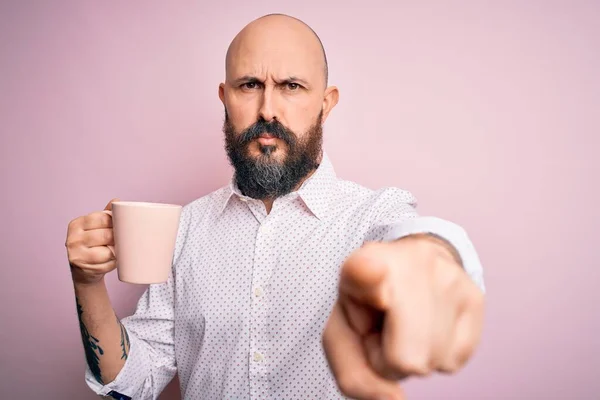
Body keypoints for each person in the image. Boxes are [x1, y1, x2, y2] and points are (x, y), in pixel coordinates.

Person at [66, 13, 486, 400]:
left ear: (326, 102)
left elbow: (416, 240)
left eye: (292, 86)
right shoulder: (186, 229)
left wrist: (434, 257)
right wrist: (87, 283)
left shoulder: (370, 216)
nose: (268, 109)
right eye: (249, 85)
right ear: (224, 97)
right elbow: (132, 383)